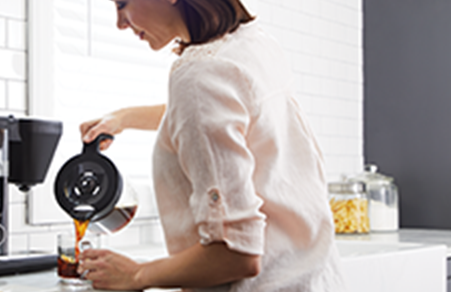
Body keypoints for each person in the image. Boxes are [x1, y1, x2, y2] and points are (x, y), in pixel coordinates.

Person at [76, 0, 347, 291]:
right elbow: (222, 109)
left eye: (122, 3)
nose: (120, 22)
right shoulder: (253, 43)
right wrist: (125, 118)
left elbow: (237, 253)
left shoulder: (199, 75)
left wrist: (138, 274)